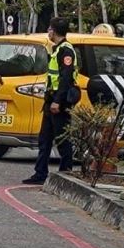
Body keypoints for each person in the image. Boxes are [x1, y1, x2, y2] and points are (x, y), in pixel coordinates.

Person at [23, 17, 78, 185]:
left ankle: (65, 173)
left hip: (59, 102)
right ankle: (40, 174)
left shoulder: (66, 51)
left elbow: (66, 78)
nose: (48, 32)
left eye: (49, 29)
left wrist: (57, 101)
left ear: (53, 31)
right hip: (50, 100)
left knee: (62, 139)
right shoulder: (56, 49)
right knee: (44, 139)